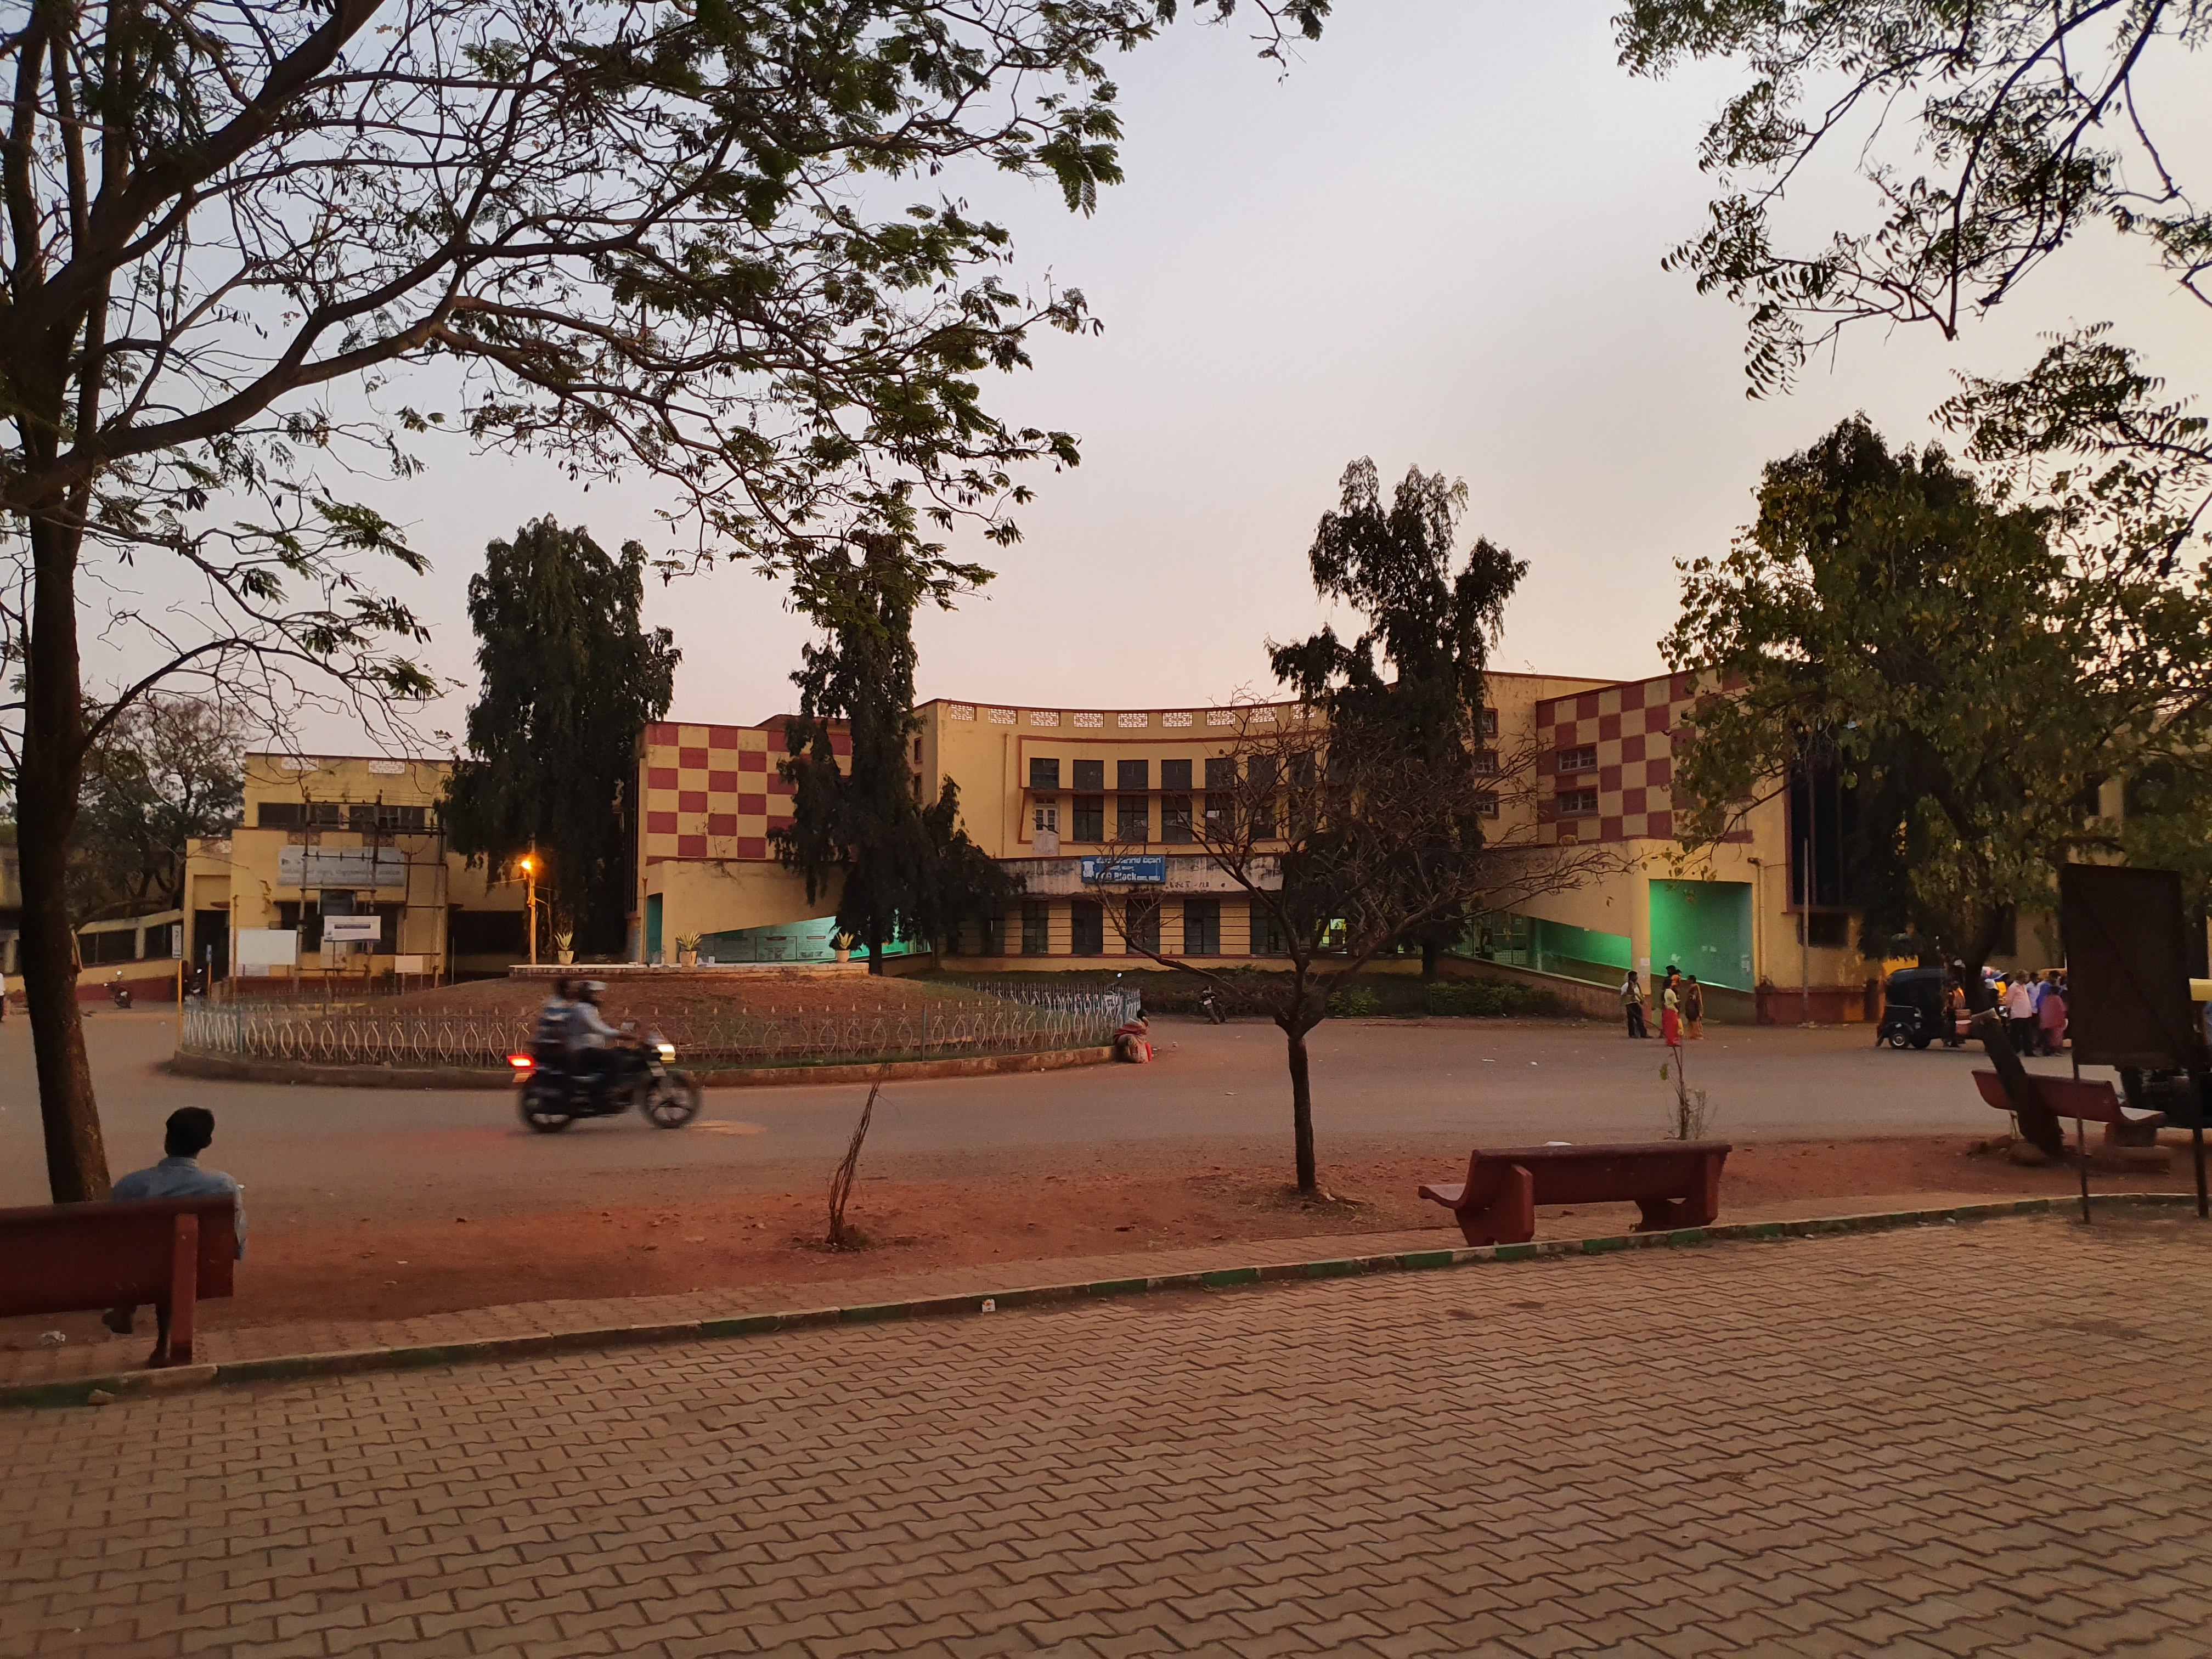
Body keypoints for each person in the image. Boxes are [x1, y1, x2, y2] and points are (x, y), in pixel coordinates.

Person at [103, 1107, 246, 1345]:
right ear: (207, 1143)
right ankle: (165, 1342)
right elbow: (236, 1234)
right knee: (178, 1255)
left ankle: (125, 1310)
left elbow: (113, 1236)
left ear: (167, 1140)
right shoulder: (223, 1186)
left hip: (143, 1270)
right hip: (200, 1265)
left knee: (151, 1254)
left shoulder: (131, 1185)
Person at [566, 979, 620, 1103]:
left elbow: (601, 1028)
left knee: (621, 1052)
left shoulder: (588, 1009)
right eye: (595, 994)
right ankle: (601, 1093)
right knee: (616, 1058)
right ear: (587, 995)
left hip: (589, 1049)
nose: (598, 997)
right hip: (583, 1051)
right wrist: (621, 1034)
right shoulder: (583, 1009)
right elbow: (599, 1028)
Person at [2003, 972, 2036, 1054]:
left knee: (2028, 1034)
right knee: (2016, 1034)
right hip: (2017, 1014)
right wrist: (2007, 1012)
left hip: (2027, 1014)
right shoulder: (2013, 987)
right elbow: (2009, 1001)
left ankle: (2028, 1051)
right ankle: (2015, 1050)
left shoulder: (2024, 987)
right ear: (2021, 978)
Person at [2036, 972, 2067, 1056]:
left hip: (2046, 1017)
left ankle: (2046, 1050)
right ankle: (2055, 1050)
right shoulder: (2055, 997)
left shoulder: (2047, 997)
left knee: (2047, 1034)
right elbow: (2062, 1009)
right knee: (2055, 1035)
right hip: (2054, 1019)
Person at [1621, 971, 1647, 1040]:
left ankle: (1643, 1033)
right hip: (1630, 1004)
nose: (1636, 978)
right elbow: (1623, 995)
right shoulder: (1626, 986)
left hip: (1637, 1003)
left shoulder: (1637, 985)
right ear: (1631, 977)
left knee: (1640, 1019)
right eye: (1635, 976)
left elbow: (1639, 993)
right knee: (1631, 1020)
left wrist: (1642, 1000)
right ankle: (1632, 1034)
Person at [1660, 972, 1683, 1047]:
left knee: (1669, 1027)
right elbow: (1675, 1002)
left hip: (1668, 1010)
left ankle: (1669, 1041)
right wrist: (1678, 1008)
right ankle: (1673, 1041)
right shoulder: (1671, 992)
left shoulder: (1666, 992)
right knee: (1673, 1027)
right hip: (1672, 1010)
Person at [1683, 975, 1705, 1041]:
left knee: (1695, 1021)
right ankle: (1692, 1034)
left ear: (1692, 980)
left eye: (1688, 979)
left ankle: (1698, 1034)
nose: (1687, 981)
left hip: (1694, 1007)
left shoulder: (1695, 987)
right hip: (1690, 1007)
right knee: (1691, 1021)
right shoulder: (1691, 987)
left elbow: (1694, 998)